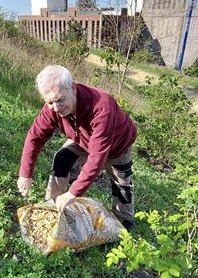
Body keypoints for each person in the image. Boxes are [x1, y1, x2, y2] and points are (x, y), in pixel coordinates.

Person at [17, 65, 137, 230]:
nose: (56, 108)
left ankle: (124, 222)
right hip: (82, 138)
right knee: (62, 158)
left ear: (73, 88)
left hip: (117, 144)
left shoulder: (102, 107)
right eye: (50, 102)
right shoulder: (53, 107)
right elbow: (35, 137)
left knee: (121, 182)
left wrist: (74, 193)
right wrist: (25, 174)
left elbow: (97, 158)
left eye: (60, 100)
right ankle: (52, 206)